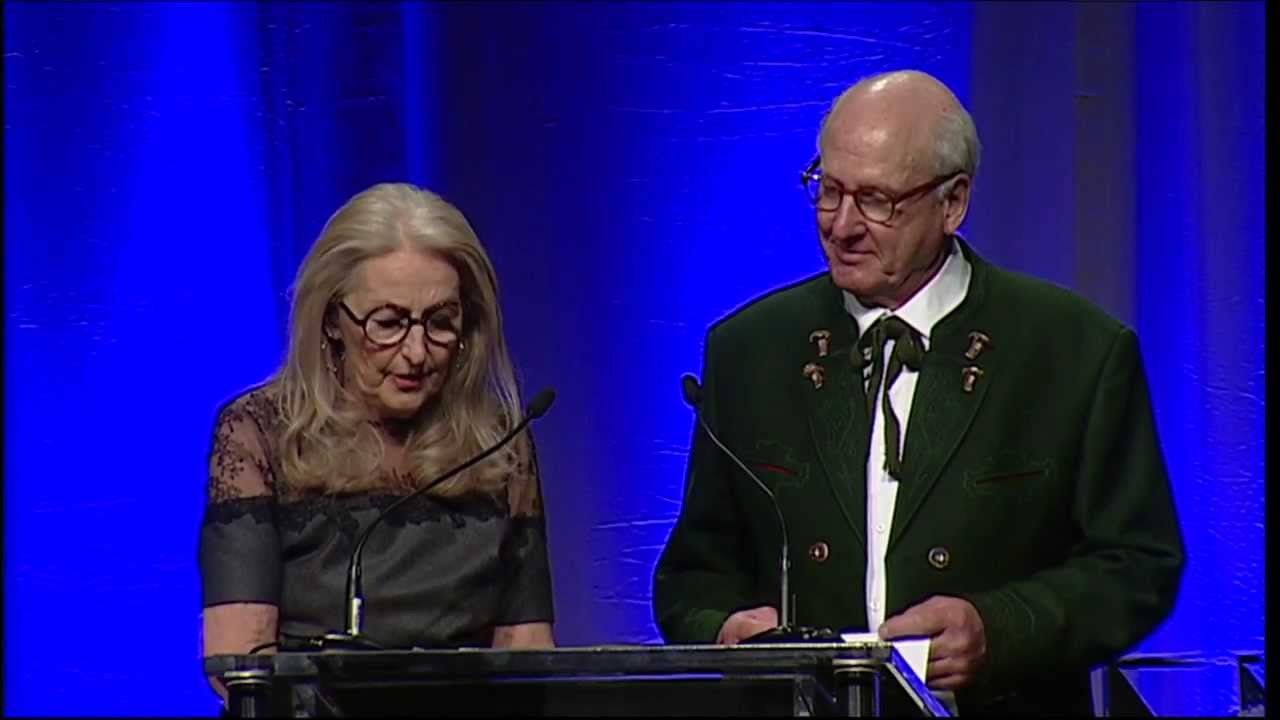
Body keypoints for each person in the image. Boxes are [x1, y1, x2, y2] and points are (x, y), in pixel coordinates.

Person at [652, 70, 1184, 716]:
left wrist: (998, 630)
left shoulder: (1073, 352)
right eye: (829, 190)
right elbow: (692, 576)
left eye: (876, 200)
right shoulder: (750, 350)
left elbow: (1138, 567)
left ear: (952, 203)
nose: (841, 225)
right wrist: (724, 630)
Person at [199, 183, 554, 697]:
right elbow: (240, 664)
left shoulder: (499, 441)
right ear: (332, 321)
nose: (417, 352)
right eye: (388, 323)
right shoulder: (260, 431)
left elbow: (527, 652)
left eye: (440, 323)